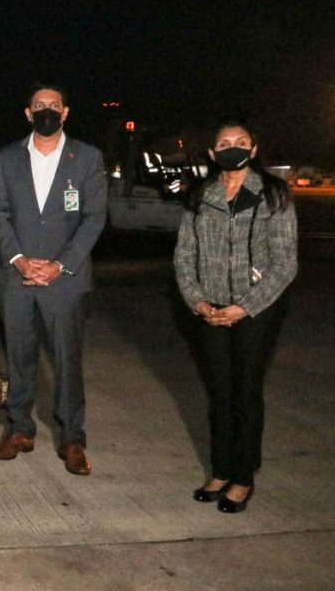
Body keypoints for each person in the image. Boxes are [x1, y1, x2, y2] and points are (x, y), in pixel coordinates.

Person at [175, 116, 297, 513]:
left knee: (246, 391)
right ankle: (221, 468)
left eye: (241, 141)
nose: (233, 147)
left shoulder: (274, 195)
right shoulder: (200, 196)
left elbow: (285, 262)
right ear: (212, 153)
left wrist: (243, 306)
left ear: (254, 149)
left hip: (256, 311)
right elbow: (184, 255)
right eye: (224, 141)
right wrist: (199, 302)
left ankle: (243, 476)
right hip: (208, 310)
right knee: (219, 393)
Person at [0, 82, 107, 475]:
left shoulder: (87, 157)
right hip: (16, 278)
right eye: (39, 105)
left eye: (53, 105)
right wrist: (19, 261)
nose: (46, 110)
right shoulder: (7, 157)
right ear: (27, 113)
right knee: (19, 358)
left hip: (65, 281)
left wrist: (60, 265)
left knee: (67, 362)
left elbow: (94, 218)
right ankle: (20, 430)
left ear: (66, 112)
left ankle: (72, 439)